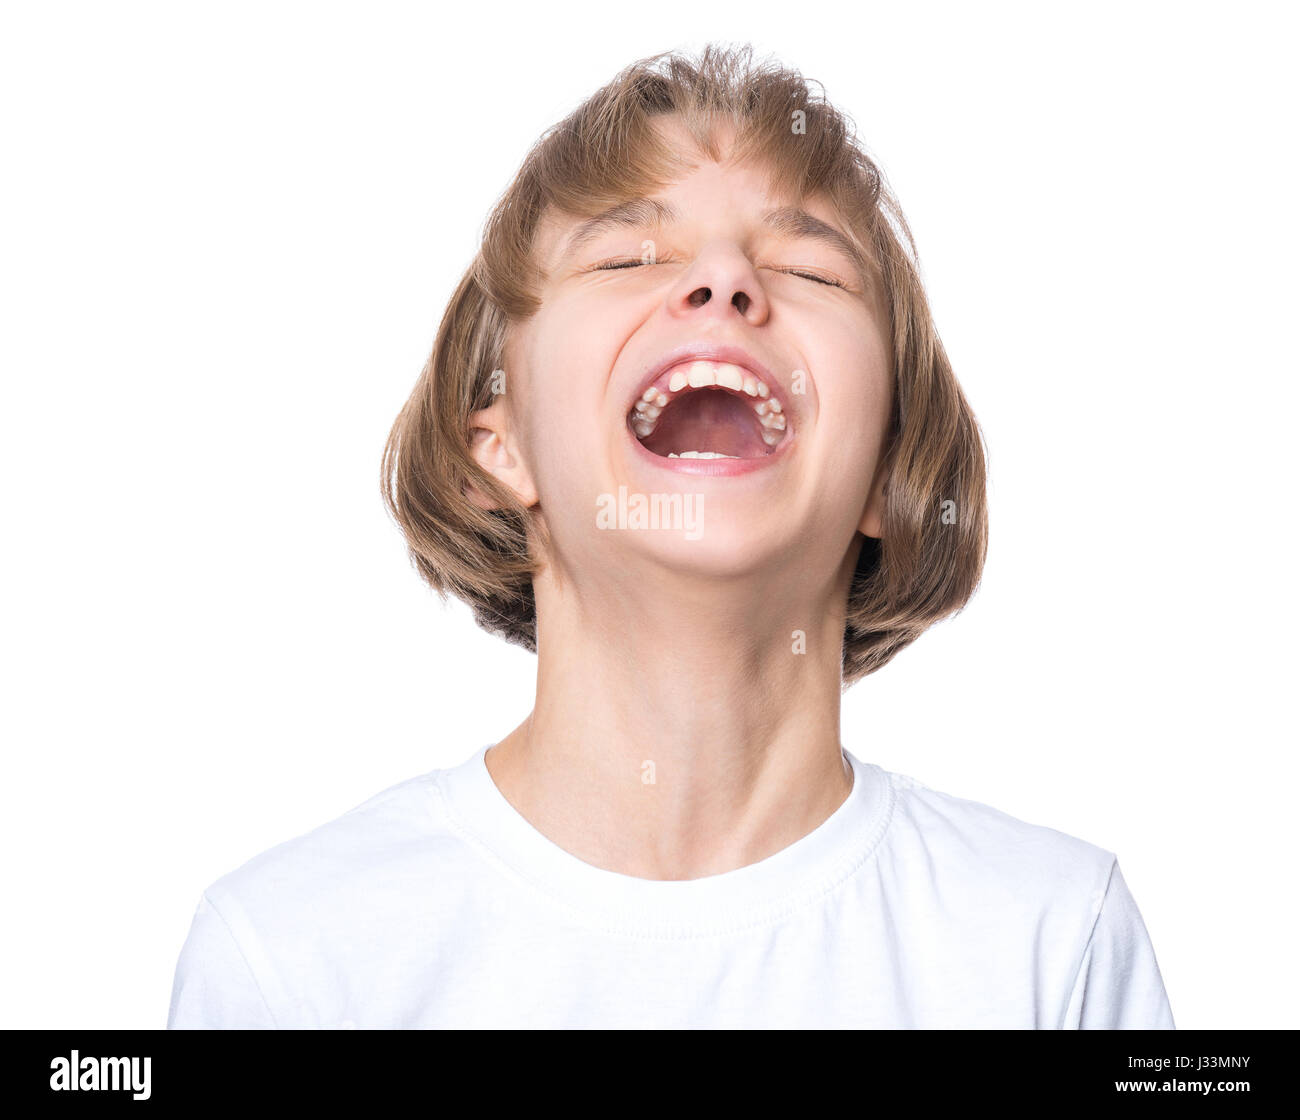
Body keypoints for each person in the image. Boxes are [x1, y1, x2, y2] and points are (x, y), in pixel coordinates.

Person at [167, 44, 1174, 1029]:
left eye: (809, 269)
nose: (726, 282)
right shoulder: (293, 959)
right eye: (627, 257)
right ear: (500, 443)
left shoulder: (1051, 944)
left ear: (883, 468)